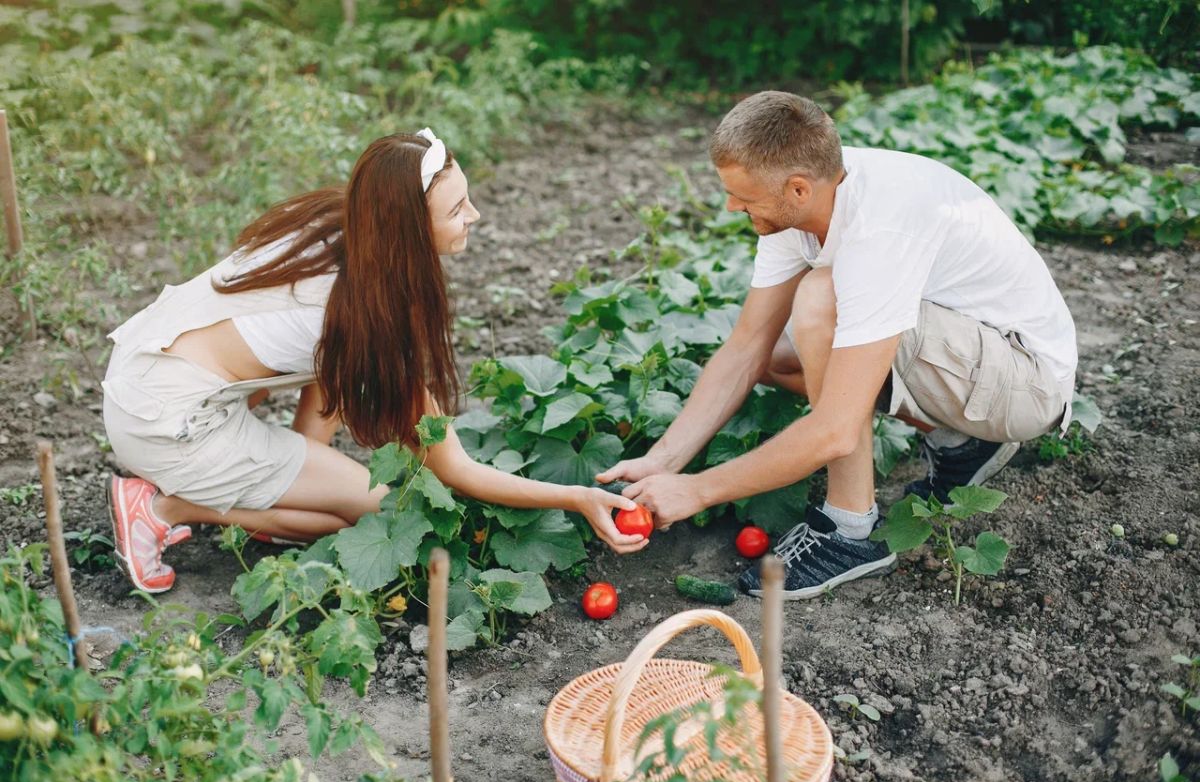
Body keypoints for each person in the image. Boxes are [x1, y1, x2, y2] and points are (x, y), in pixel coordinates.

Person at [104, 129, 645, 594]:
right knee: (381, 511)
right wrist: (577, 497)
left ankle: (238, 495)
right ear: (407, 227)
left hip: (146, 376)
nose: (474, 216)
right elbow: (454, 468)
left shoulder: (343, 230)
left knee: (333, 507)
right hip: (169, 424)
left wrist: (296, 466)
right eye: (456, 210)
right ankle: (160, 510)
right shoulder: (372, 313)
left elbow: (326, 365)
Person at [598, 92, 1076, 600]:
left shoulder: (880, 227)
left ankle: (847, 530)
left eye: (743, 196)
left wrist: (697, 489)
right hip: (971, 360)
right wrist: (664, 460)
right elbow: (746, 348)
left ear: (798, 188)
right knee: (778, 357)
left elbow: (834, 430)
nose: (731, 206)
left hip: (1026, 383)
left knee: (820, 302)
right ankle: (961, 441)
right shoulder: (803, 203)